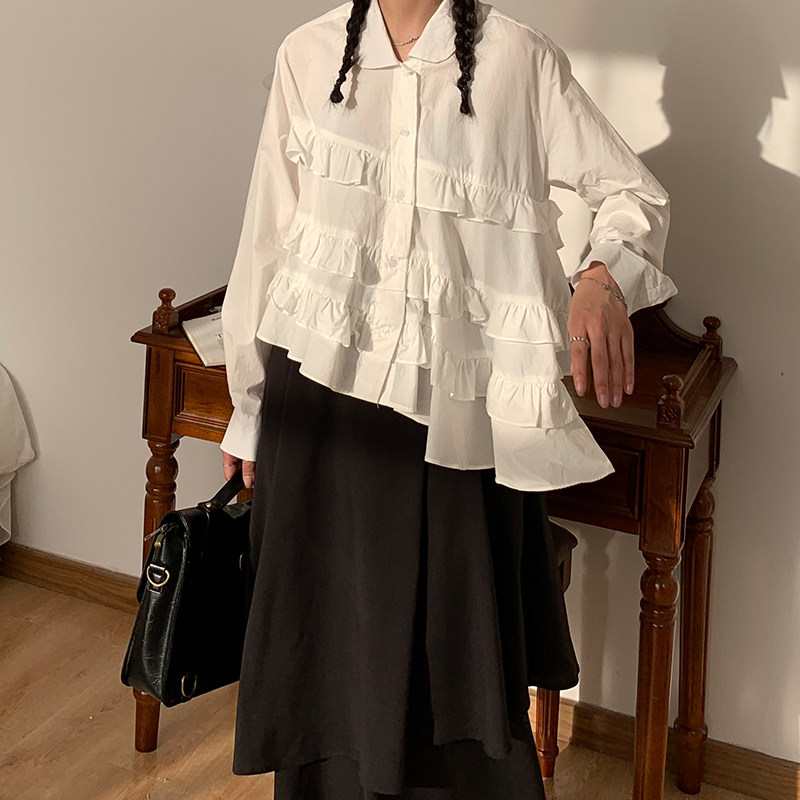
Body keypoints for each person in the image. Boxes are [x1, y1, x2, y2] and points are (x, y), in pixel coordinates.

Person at [219, 0, 678, 797]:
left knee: (457, 666)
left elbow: (637, 197)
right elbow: (268, 236)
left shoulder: (517, 60)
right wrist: (249, 407)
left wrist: (603, 277)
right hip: (317, 402)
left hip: (457, 416)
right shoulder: (309, 53)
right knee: (324, 650)